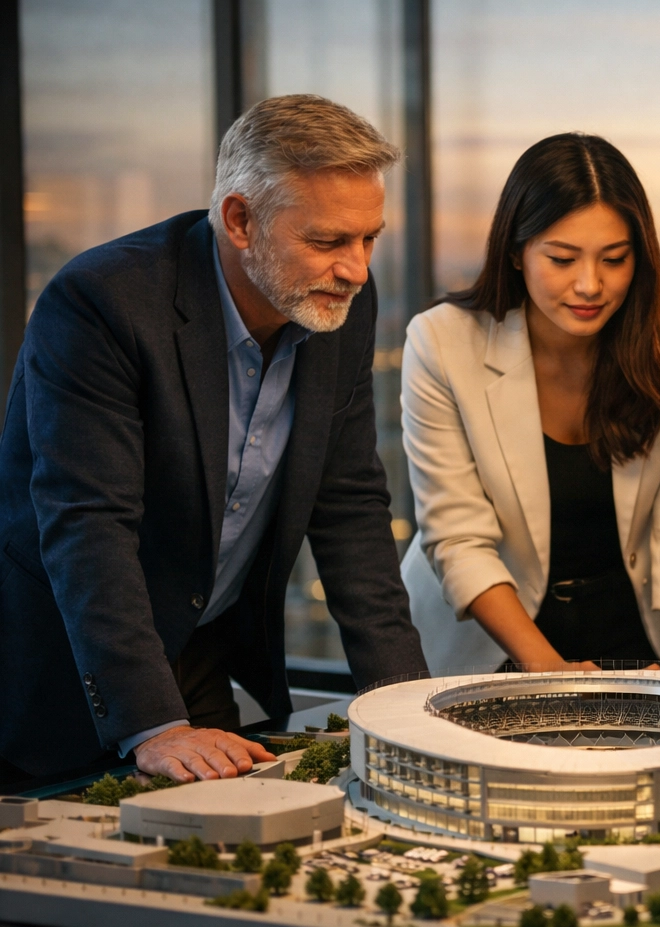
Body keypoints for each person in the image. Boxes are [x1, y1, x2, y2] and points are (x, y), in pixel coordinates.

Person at [0, 95, 428, 784]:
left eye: (369, 238)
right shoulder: (102, 302)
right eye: (327, 241)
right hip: (62, 664)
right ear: (239, 219)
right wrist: (154, 723)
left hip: (199, 653)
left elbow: (348, 505)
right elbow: (88, 526)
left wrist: (405, 703)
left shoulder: (342, 301)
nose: (354, 267)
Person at [400, 133, 660, 674]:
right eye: (561, 258)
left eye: (615, 259)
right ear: (514, 252)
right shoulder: (441, 342)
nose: (590, 285)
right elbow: (457, 536)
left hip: (634, 635)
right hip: (491, 646)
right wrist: (550, 673)